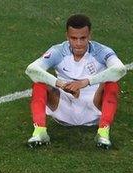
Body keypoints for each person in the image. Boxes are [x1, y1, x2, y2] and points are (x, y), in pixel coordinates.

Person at [25, 14, 127, 149]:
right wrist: (60, 84)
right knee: (39, 83)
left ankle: (103, 133)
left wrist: (85, 82)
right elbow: (31, 70)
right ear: (67, 36)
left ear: (90, 35)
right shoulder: (57, 51)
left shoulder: (102, 51)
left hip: (93, 106)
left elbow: (120, 69)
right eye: (73, 38)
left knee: (112, 84)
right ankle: (40, 132)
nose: (78, 43)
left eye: (83, 38)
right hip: (64, 104)